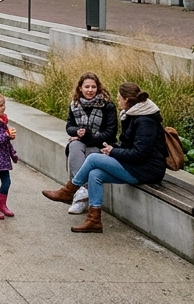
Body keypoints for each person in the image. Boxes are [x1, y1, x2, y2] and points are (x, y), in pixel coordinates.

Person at [43, 83, 167, 234]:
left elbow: (139, 154)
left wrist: (113, 151)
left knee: (94, 158)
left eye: (119, 97)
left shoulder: (145, 121)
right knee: (95, 174)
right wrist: (113, 149)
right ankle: (94, 221)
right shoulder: (133, 115)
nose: (117, 99)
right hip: (136, 165)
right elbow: (130, 147)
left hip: (147, 170)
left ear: (127, 99)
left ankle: (69, 191)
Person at [62, 73, 118, 215]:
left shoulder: (107, 105)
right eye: (86, 87)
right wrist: (77, 131)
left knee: (91, 152)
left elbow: (111, 132)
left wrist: (86, 138)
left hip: (100, 143)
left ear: (98, 88)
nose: (90, 90)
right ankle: (82, 193)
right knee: (74, 146)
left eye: (93, 87)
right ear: (80, 88)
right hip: (81, 140)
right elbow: (69, 126)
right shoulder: (74, 104)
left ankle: (80, 196)